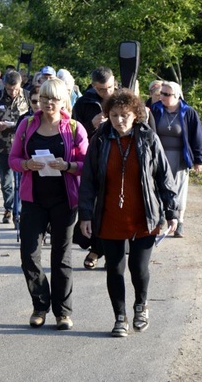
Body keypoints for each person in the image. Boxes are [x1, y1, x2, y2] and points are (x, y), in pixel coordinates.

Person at [78, 89, 179, 337]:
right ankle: (120, 317)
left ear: (135, 115)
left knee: (139, 267)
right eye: (114, 115)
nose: (119, 120)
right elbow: (88, 180)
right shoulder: (100, 139)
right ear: (107, 115)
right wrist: (86, 214)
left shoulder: (148, 138)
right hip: (110, 214)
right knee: (114, 268)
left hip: (144, 214)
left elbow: (164, 177)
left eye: (124, 115)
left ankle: (141, 306)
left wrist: (171, 211)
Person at [9, 78, 88, 330]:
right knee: (29, 255)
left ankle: (63, 312)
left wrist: (68, 166)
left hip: (64, 200)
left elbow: (88, 165)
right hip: (33, 199)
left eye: (53, 99)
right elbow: (13, 158)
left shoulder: (75, 128)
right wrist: (25, 165)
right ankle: (40, 305)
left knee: (61, 257)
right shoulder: (27, 124)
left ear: (63, 100)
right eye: (44, 99)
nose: (48, 104)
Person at [71, 66, 116, 269]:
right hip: (94, 158)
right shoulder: (83, 102)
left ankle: (102, 251)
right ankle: (98, 248)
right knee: (97, 207)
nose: (106, 93)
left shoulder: (123, 98)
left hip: (119, 157)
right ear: (93, 86)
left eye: (109, 88)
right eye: (101, 89)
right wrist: (91, 125)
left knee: (115, 208)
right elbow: (74, 132)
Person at [150, 81, 202, 237]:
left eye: (166, 94)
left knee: (179, 189)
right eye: (161, 93)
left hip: (180, 156)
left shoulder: (188, 112)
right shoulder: (156, 109)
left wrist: (199, 160)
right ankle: (161, 217)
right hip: (160, 156)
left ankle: (179, 221)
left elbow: (197, 136)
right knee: (158, 186)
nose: (162, 97)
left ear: (177, 95)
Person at [0, 69, 29, 225]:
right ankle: (9, 208)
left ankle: (20, 210)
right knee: (6, 180)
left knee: (22, 180)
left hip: (23, 145)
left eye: (15, 89)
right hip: (2, 146)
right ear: (4, 85)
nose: (12, 92)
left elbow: (33, 118)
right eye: (9, 89)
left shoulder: (27, 97)